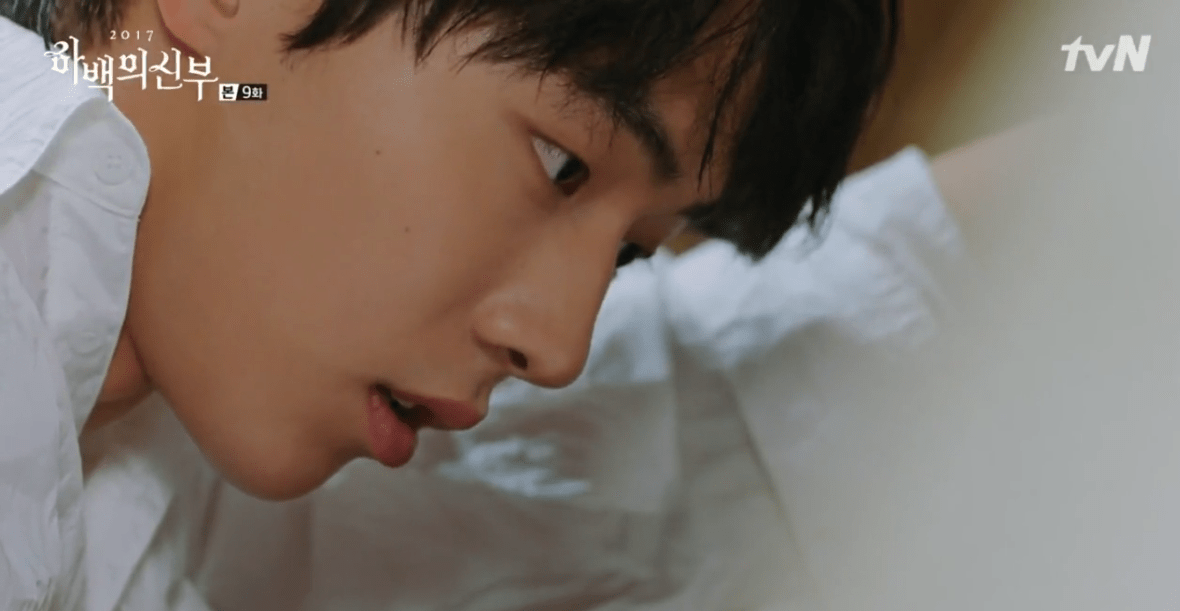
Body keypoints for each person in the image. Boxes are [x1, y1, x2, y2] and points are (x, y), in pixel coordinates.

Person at [0, 0, 946, 608]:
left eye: (631, 251)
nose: (560, 346)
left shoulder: (156, 440)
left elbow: (675, 407)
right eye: (561, 163)